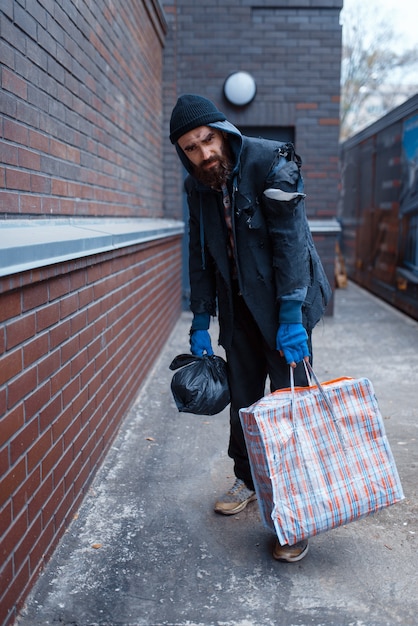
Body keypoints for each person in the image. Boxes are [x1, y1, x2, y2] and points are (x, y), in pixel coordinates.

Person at [169, 94, 332, 562]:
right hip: (237, 308)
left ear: (222, 131)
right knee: (244, 402)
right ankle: (248, 476)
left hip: (287, 305)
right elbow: (199, 253)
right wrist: (201, 318)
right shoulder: (196, 183)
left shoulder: (272, 162)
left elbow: (290, 242)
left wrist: (290, 318)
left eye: (207, 141)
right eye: (191, 148)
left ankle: (296, 513)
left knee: (289, 408)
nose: (204, 154)